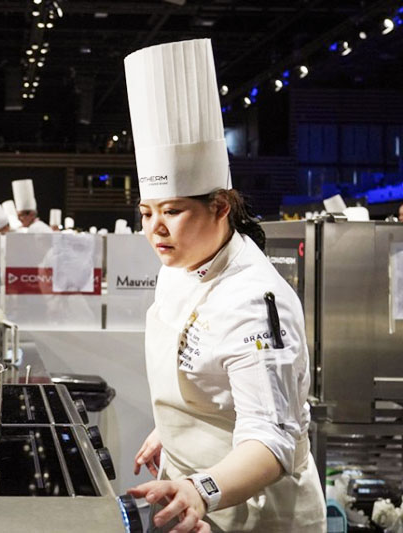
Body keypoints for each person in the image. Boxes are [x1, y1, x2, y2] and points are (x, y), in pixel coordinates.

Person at [124, 39, 326, 532]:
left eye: (172, 211)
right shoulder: (178, 265)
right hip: (191, 500)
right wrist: (172, 432)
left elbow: (272, 440)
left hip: (255, 513)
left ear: (220, 206)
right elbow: (212, 385)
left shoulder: (256, 302)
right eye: (147, 213)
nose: (156, 229)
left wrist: (201, 487)